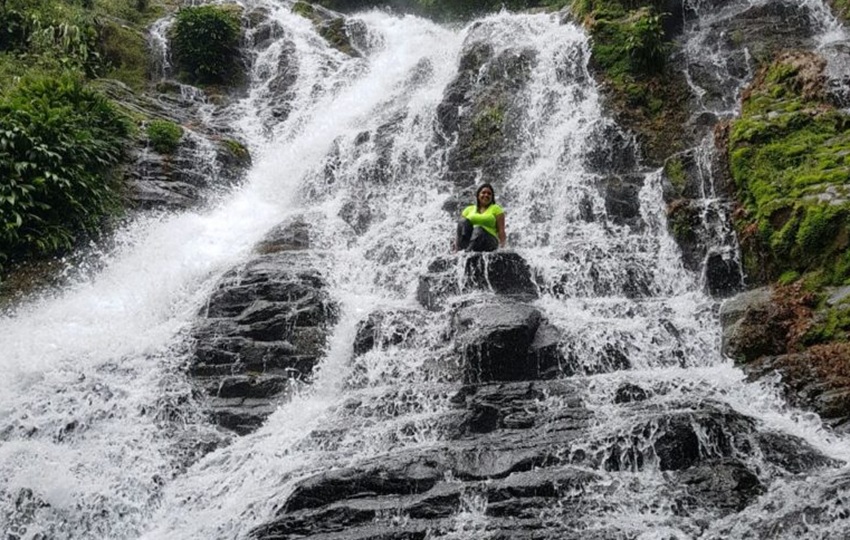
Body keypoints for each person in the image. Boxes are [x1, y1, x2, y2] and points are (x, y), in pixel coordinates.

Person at [455, 183, 506, 252]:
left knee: (479, 229)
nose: (486, 195)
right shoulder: (468, 209)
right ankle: (460, 250)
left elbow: (501, 230)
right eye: (483, 193)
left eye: (489, 194)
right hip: (470, 239)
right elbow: (460, 231)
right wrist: (455, 248)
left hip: (490, 241)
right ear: (478, 195)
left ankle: (467, 253)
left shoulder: (496, 209)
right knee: (462, 221)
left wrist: (502, 247)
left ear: (492, 197)